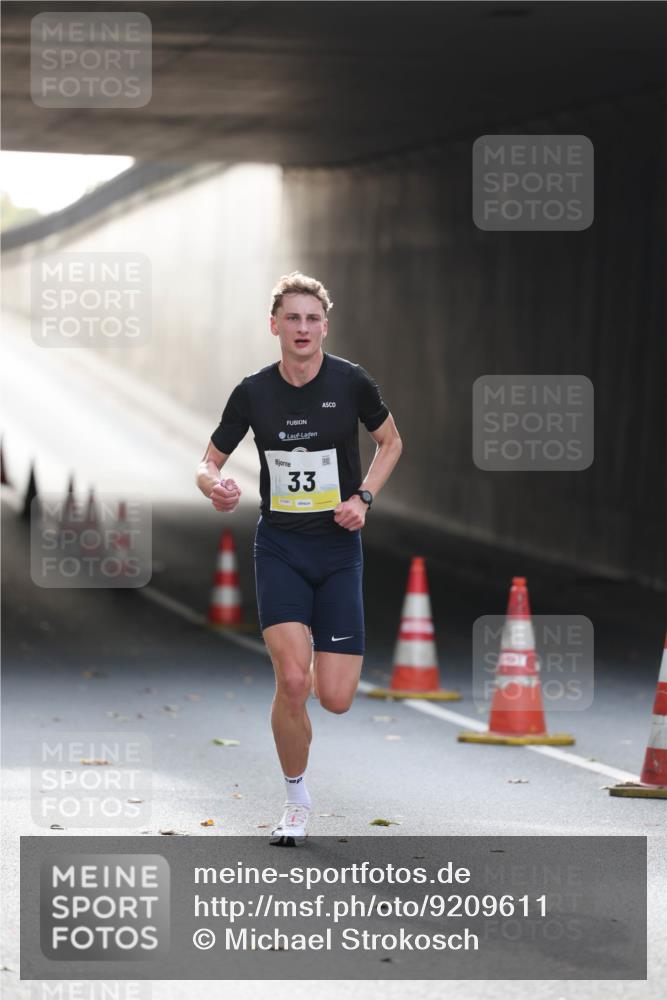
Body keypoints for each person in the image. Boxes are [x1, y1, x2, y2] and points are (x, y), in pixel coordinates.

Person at [196, 272, 402, 845]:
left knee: (333, 698)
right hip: (281, 547)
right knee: (291, 681)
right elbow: (207, 462)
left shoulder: (352, 382)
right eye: (293, 318)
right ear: (275, 326)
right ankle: (295, 799)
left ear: (324, 326)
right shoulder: (253, 392)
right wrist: (214, 486)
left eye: (313, 318)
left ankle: (314, 668)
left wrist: (364, 497)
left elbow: (392, 442)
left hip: (337, 550)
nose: (303, 328)